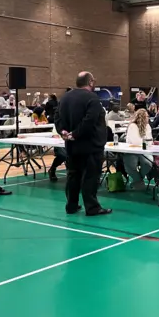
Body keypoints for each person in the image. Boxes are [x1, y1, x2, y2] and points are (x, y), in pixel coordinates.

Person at [55, 71, 111, 216]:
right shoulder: (92, 98)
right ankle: (92, 207)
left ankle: (71, 205)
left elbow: (57, 118)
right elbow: (90, 120)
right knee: (90, 176)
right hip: (90, 145)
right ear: (90, 81)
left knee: (73, 175)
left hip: (72, 146)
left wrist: (64, 132)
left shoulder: (65, 97)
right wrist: (75, 134)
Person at [124, 109, 153, 189]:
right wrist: (146, 141)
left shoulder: (148, 126)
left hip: (145, 150)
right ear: (142, 117)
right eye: (147, 116)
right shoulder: (133, 126)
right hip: (131, 150)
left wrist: (146, 142)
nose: (148, 118)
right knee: (130, 165)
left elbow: (150, 140)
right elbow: (135, 142)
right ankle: (138, 180)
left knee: (148, 163)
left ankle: (138, 180)